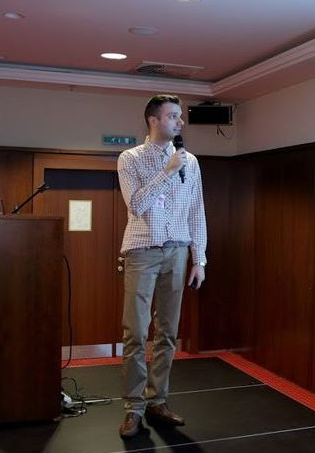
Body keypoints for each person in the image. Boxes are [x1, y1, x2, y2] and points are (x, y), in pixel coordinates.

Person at [116, 94, 207, 438]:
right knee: (136, 333)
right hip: (142, 250)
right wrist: (168, 171)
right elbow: (137, 205)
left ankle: (158, 400)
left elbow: (197, 211)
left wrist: (199, 258)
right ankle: (133, 407)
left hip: (178, 251)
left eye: (180, 116)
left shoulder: (191, 162)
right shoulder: (130, 158)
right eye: (172, 116)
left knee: (168, 331)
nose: (180, 122)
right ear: (153, 121)